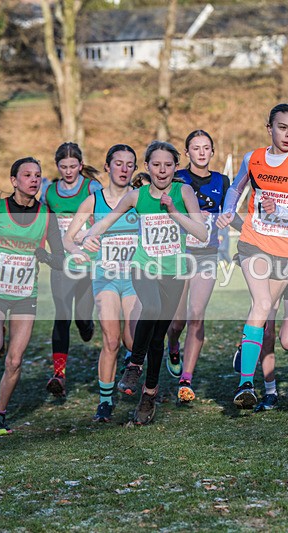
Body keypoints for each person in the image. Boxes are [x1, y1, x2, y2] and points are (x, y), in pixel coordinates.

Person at [82, 141, 207, 425]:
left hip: (173, 272)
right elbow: (105, 222)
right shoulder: (137, 197)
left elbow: (201, 233)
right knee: (150, 306)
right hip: (143, 267)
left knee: (158, 337)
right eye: (156, 164)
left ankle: (149, 394)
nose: (162, 170)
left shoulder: (183, 191)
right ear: (147, 167)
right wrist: (89, 235)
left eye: (168, 165)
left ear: (176, 167)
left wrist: (175, 212)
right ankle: (134, 364)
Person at [216, 103, 288, 410]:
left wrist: (285, 211)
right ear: (270, 128)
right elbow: (236, 189)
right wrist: (227, 210)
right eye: (283, 127)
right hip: (253, 242)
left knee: (268, 314)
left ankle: (248, 350)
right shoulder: (253, 158)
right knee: (261, 304)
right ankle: (245, 384)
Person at [0, 157, 66, 436]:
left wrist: (45, 256)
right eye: (27, 175)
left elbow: (60, 259)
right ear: (13, 181)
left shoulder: (47, 216)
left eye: (38, 175)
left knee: (14, 360)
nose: (34, 180)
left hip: (25, 295)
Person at [63, 144, 140, 423]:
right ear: (107, 167)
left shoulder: (140, 199)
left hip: (135, 280)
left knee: (133, 339)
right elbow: (68, 238)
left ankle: (136, 373)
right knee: (110, 340)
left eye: (129, 164)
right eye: (118, 163)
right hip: (105, 278)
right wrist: (79, 249)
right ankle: (105, 401)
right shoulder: (93, 201)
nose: (123, 168)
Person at [166, 130, 230, 403]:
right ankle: (172, 346)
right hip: (180, 254)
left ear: (212, 152)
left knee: (196, 314)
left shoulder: (221, 181)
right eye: (196, 148)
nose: (201, 152)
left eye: (206, 148)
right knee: (178, 319)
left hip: (207, 254)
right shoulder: (177, 178)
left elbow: (230, 213)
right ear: (187, 152)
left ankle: (186, 379)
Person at [41, 142, 102, 398]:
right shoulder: (50, 191)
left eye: (73, 166)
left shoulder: (92, 188)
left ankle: (87, 325)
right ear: (57, 166)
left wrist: (87, 236)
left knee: (82, 319)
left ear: (80, 165)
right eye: (63, 167)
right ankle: (59, 374)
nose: (68, 171)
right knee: (62, 314)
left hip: (88, 261)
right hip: (61, 262)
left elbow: (104, 219)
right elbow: (42, 220)